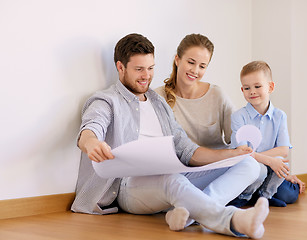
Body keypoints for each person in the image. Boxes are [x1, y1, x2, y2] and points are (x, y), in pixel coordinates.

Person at [71, 33, 269, 239]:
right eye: (139, 69)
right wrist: (91, 142)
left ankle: (190, 215)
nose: (146, 75)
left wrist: (233, 154)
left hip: (173, 175)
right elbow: (91, 128)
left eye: (150, 68)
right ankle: (233, 220)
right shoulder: (106, 100)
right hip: (129, 187)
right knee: (170, 179)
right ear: (121, 68)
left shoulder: (159, 103)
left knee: (249, 165)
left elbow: (186, 150)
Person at [155, 34, 261, 209]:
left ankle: (195, 211)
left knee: (251, 166)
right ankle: (203, 208)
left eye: (202, 66)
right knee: (171, 183)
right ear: (177, 59)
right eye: (191, 62)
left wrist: (271, 161)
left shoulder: (216, 94)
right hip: (181, 174)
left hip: (216, 168)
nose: (195, 70)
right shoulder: (158, 97)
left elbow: (239, 138)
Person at [229, 61, 305, 208]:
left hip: (270, 168)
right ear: (242, 90)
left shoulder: (280, 116)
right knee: (260, 168)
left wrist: (269, 161)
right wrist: (268, 160)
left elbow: (283, 150)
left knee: (290, 195)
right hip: (248, 167)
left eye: (257, 86)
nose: (252, 91)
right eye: (247, 88)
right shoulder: (239, 117)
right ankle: (247, 196)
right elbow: (242, 153)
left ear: (270, 87)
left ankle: (264, 196)